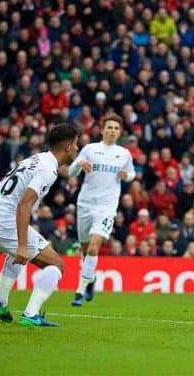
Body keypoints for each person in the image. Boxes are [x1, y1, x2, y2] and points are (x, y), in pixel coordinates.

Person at [0, 123, 79, 327]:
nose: (77, 148)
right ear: (67, 146)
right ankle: (30, 315)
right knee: (56, 264)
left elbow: (5, 191)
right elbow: (24, 204)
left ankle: (0, 304)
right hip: (2, 219)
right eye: (76, 144)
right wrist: (22, 245)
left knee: (16, 252)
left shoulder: (34, 159)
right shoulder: (48, 168)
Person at [68, 114, 135, 307]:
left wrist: (127, 176)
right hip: (86, 204)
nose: (113, 130)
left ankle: (79, 291)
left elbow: (132, 173)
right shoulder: (90, 149)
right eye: (110, 127)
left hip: (106, 207)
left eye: (116, 128)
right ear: (102, 129)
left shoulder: (123, 153)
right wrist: (79, 164)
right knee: (85, 249)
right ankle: (91, 278)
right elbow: (71, 172)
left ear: (119, 132)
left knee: (95, 247)